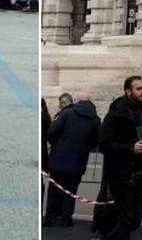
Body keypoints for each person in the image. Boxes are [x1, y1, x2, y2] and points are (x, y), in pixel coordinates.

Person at [98, 75, 142, 240]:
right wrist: (130, 148)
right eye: (138, 89)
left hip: (139, 172)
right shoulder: (115, 114)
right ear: (128, 91)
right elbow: (104, 145)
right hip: (121, 174)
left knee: (135, 219)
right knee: (125, 219)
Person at [44, 92, 100, 228]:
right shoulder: (96, 119)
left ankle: (50, 217)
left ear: (76, 100)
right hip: (78, 160)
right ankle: (66, 218)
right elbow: (95, 141)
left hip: (59, 158)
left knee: (54, 189)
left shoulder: (67, 113)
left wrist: (56, 144)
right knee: (71, 190)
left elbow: (52, 132)